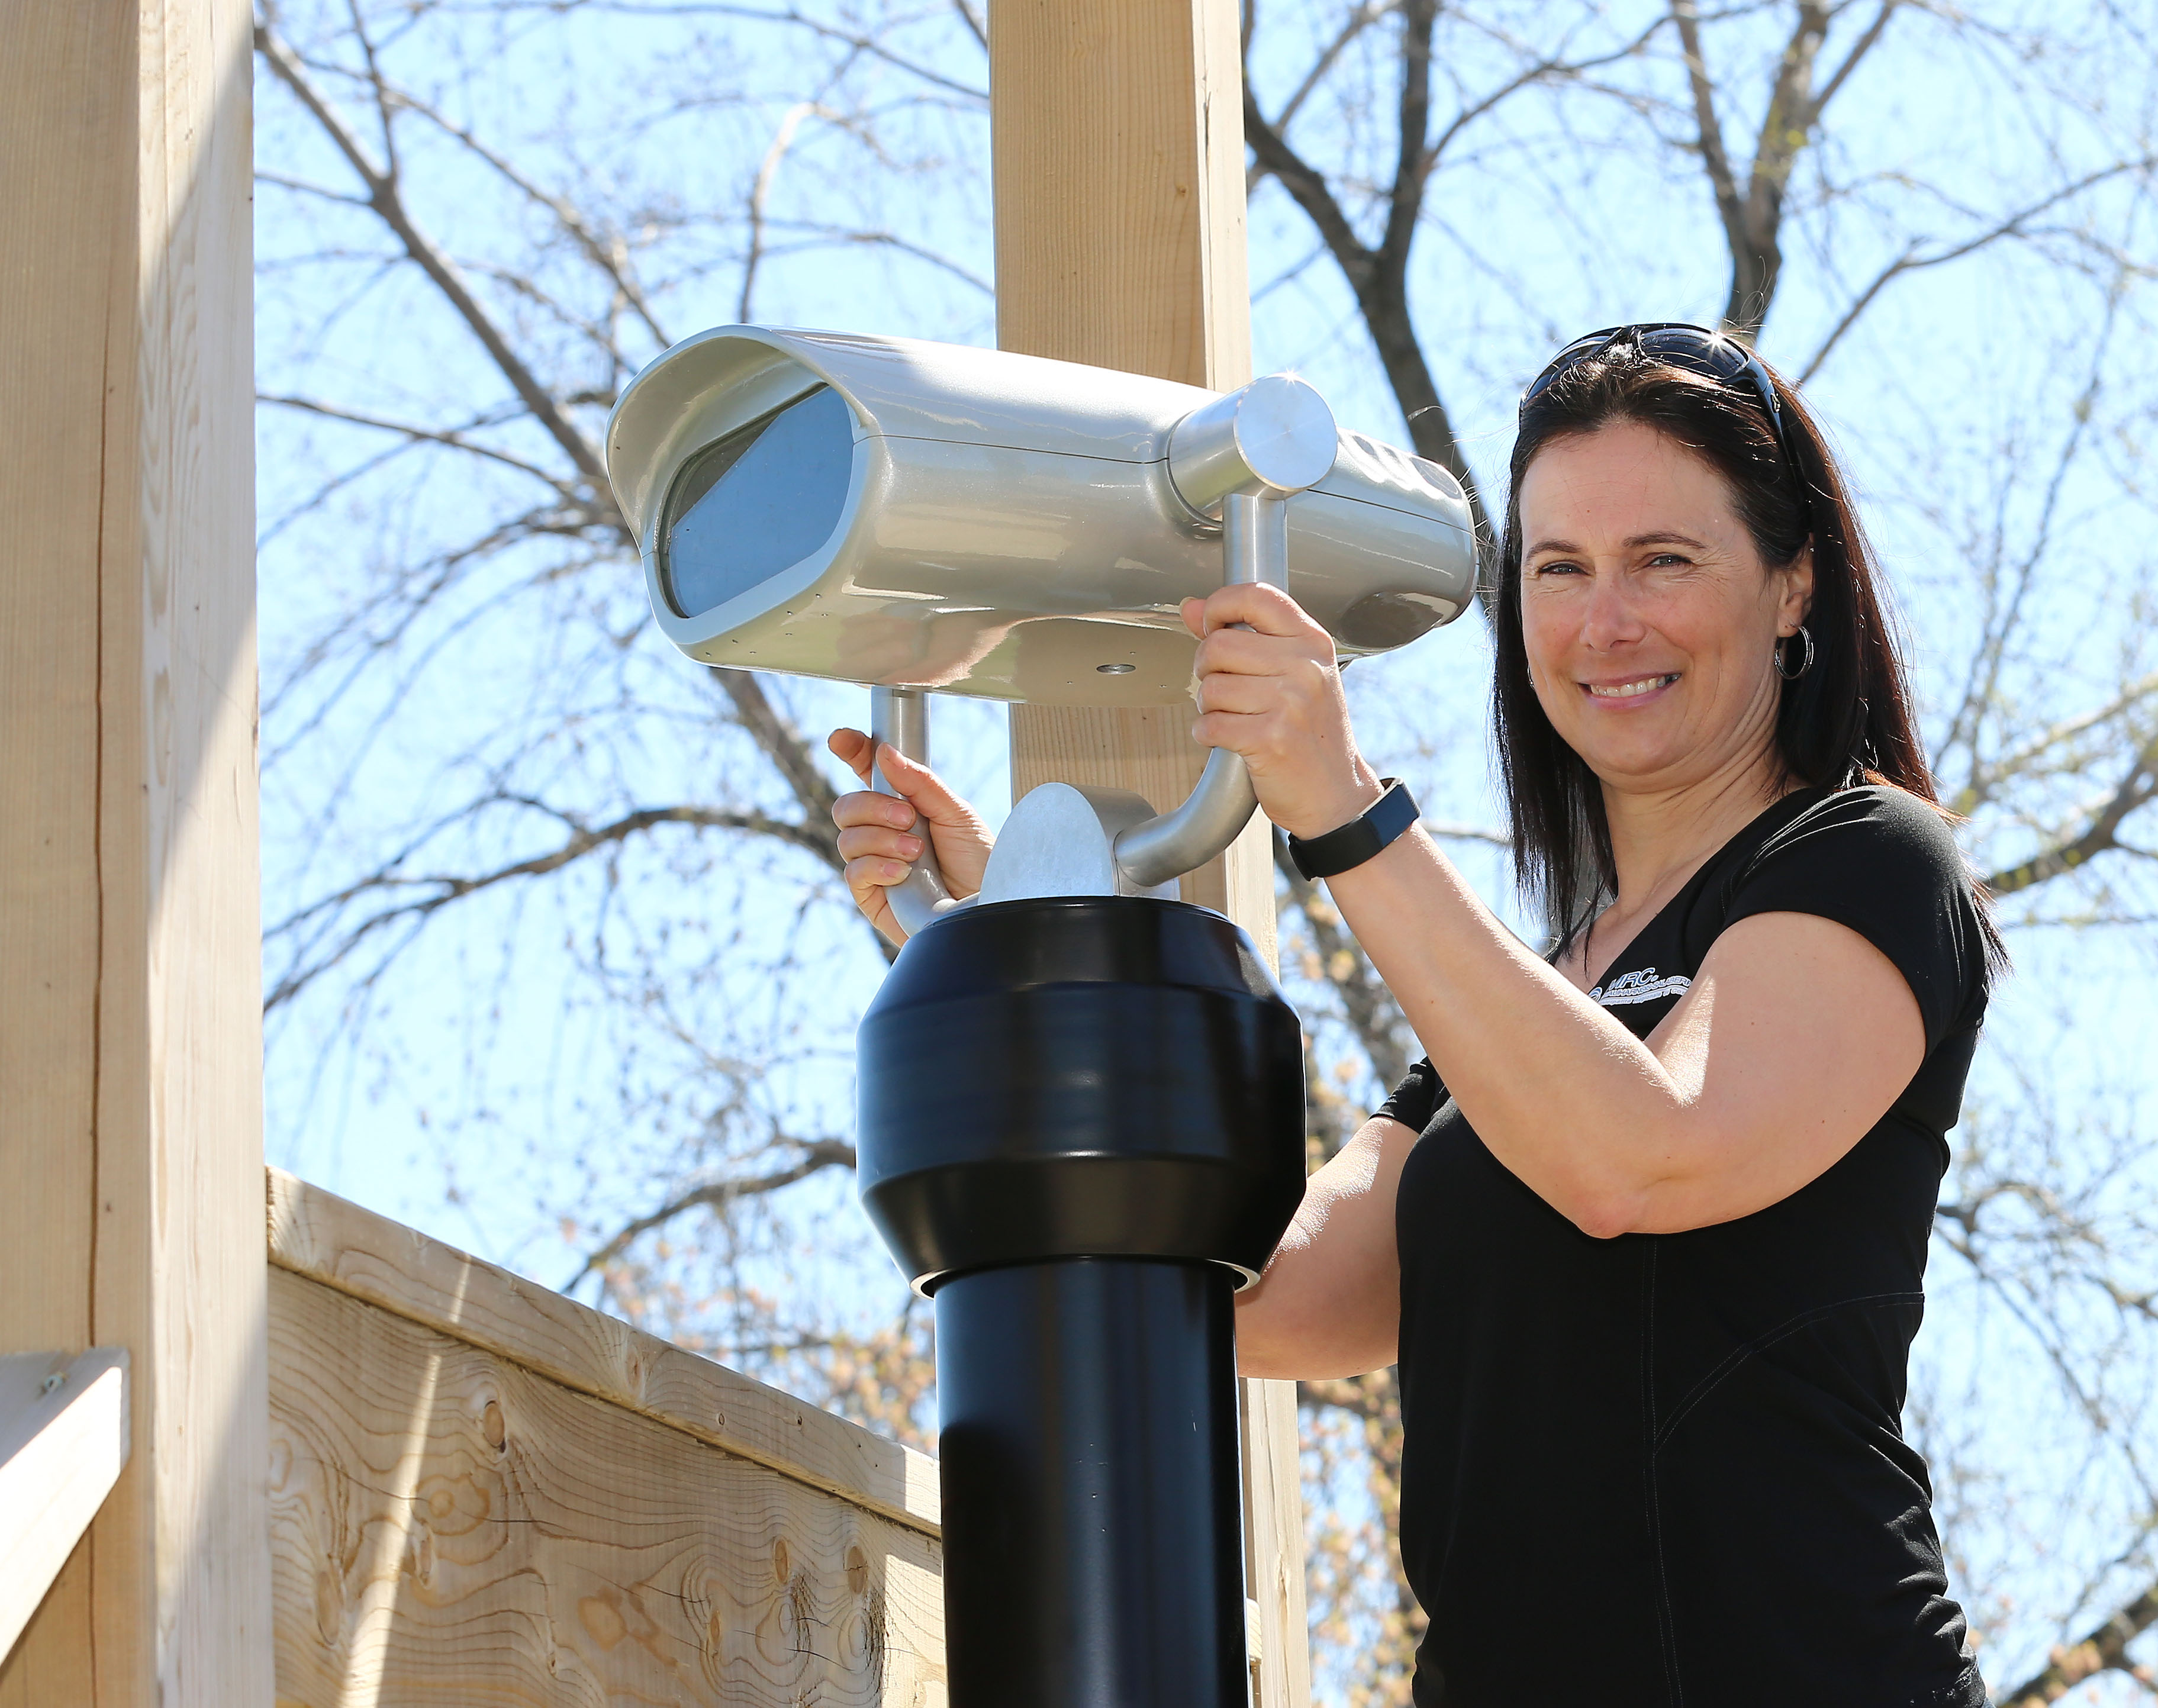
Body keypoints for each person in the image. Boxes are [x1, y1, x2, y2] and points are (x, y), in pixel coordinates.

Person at [827, 324, 2000, 1707]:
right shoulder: (1519, 1019)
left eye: (1663, 561)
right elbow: (1262, 1300)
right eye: (1559, 569)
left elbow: (1643, 1158)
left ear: (1794, 584)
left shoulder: (1870, 861)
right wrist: (1027, 946)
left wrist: (1343, 809)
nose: (1603, 624)